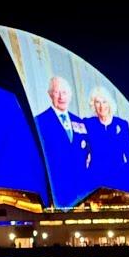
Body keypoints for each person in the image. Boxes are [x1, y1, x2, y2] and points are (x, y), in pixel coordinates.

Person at [35, 76, 90, 207]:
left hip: (79, 192)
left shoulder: (80, 122)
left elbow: (87, 152)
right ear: (50, 95)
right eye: (56, 92)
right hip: (55, 192)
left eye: (64, 92)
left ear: (70, 95)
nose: (61, 97)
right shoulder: (40, 122)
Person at [84, 86, 129, 178]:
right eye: (97, 102)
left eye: (104, 102)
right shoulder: (88, 123)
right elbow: (83, 151)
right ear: (93, 105)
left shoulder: (122, 125)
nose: (101, 106)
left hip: (118, 177)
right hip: (96, 178)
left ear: (109, 103)